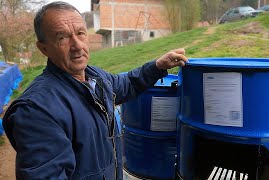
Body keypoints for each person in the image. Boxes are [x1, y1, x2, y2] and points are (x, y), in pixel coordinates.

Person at [2, 1, 188, 179]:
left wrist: (156, 67)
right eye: (62, 37)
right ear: (43, 48)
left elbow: (126, 84)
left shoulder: (95, 77)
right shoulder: (37, 111)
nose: (77, 46)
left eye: (80, 33)